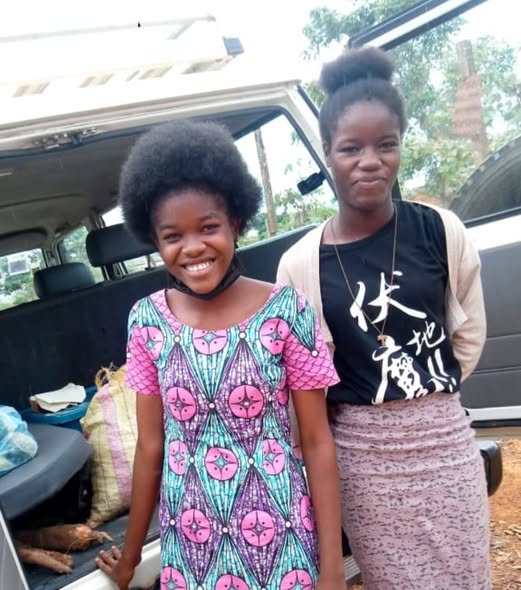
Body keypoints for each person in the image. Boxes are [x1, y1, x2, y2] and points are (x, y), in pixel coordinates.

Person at [95, 119, 346, 590]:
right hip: (191, 545)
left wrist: (332, 567)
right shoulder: (146, 321)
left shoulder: (287, 310)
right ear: (154, 241)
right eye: (172, 236)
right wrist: (129, 559)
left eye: (208, 227)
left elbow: (316, 441)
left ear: (234, 222)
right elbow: (150, 447)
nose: (193, 247)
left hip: (282, 539)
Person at [277, 47, 491, 590]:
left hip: (446, 444)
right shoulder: (301, 264)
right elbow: (304, 383)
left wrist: (426, 404)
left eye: (386, 144)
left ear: (400, 146)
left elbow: (467, 333)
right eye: (351, 148)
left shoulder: (440, 230)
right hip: (363, 462)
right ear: (327, 153)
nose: (369, 161)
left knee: (467, 577)